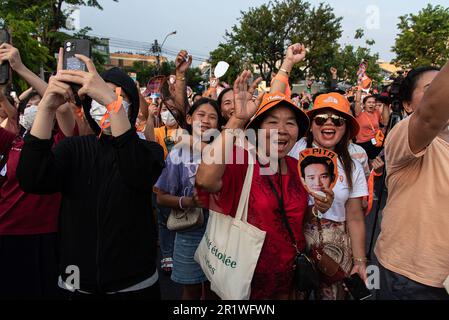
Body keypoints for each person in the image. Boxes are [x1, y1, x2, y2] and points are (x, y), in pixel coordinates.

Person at [16, 53, 164, 300]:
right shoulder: (73, 149)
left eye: (119, 96)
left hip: (134, 284)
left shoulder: (149, 150)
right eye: (100, 95)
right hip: (76, 284)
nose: (106, 103)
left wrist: (110, 101)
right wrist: (47, 106)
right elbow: (32, 179)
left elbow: (135, 172)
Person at [196, 69, 334, 300]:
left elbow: (294, 217)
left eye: (290, 123)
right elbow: (205, 179)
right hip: (245, 282)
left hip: (288, 281)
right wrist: (238, 119)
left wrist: (317, 209)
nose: (281, 130)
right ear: (257, 131)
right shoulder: (243, 161)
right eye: (272, 122)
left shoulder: (295, 165)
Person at [273, 44, 369, 300]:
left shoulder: (354, 164)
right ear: (311, 124)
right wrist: (288, 63)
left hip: (337, 247)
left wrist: (360, 260)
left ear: (345, 127)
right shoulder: (291, 150)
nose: (328, 124)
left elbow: (356, 218)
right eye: (321, 119)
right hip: (292, 240)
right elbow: (271, 110)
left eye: (336, 120)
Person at [0, 45, 76, 299]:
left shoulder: (62, 143)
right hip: (8, 233)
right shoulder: (12, 142)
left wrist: (20, 68)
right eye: (32, 104)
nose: (37, 107)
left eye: (42, 103)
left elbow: (63, 107)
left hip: (49, 235)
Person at [375, 65, 449, 300]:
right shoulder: (402, 133)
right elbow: (428, 117)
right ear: (407, 106)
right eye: (431, 90)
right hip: (412, 280)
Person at [155, 97, 222, 300]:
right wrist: (189, 202)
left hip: (220, 232)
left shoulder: (226, 152)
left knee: (215, 289)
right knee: (191, 289)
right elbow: (161, 197)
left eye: (212, 117)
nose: (206, 121)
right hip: (190, 230)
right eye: (201, 115)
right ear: (190, 118)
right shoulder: (178, 153)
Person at [354, 93, 390, 160]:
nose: (371, 104)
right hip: (363, 144)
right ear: (364, 104)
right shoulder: (359, 113)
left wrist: (385, 104)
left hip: (376, 142)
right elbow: (357, 101)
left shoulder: (376, 113)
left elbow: (386, 122)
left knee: (376, 165)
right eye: (369, 102)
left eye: (373, 102)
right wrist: (359, 89)